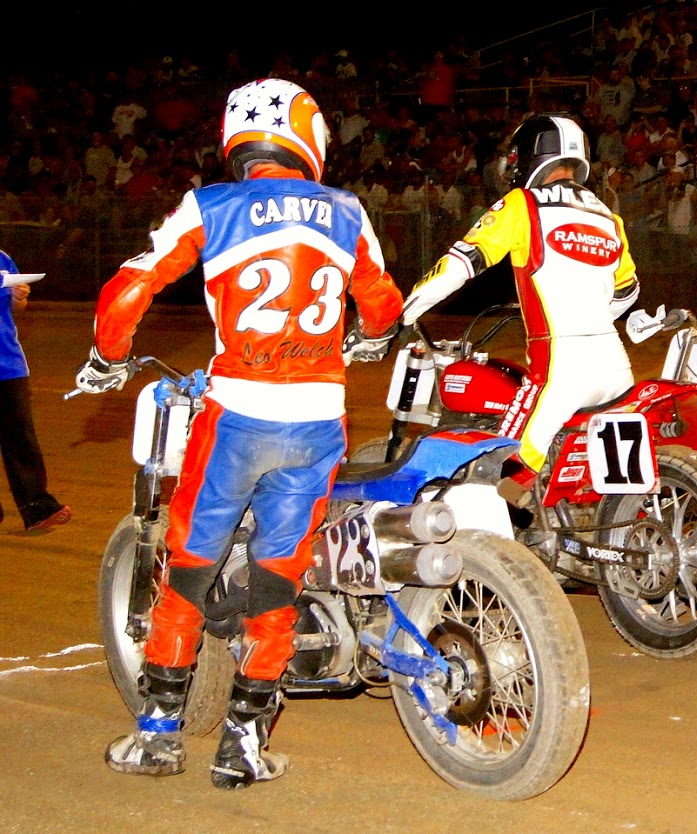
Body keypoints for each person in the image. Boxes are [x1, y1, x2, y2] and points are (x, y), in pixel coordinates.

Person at [76, 79, 403, 788]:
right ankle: (245, 746)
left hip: (236, 420)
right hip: (317, 422)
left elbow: (131, 287)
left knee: (189, 570)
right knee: (277, 583)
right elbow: (383, 308)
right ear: (307, 135)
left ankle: (159, 734)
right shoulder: (346, 211)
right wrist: (363, 333)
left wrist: (106, 355)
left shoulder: (210, 205)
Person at [401, 115, 639, 474]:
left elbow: (459, 266)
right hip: (618, 370)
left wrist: (403, 312)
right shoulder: (608, 216)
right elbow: (627, 293)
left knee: (499, 473)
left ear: (531, 155)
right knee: (598, 482)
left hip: (561, 372)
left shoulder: (523, 204)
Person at [0, 250, 70, 532]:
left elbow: (17, 308)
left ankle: (37, 507)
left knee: (21, 437)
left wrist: (19, 297)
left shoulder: (3, 258)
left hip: (8, 361)